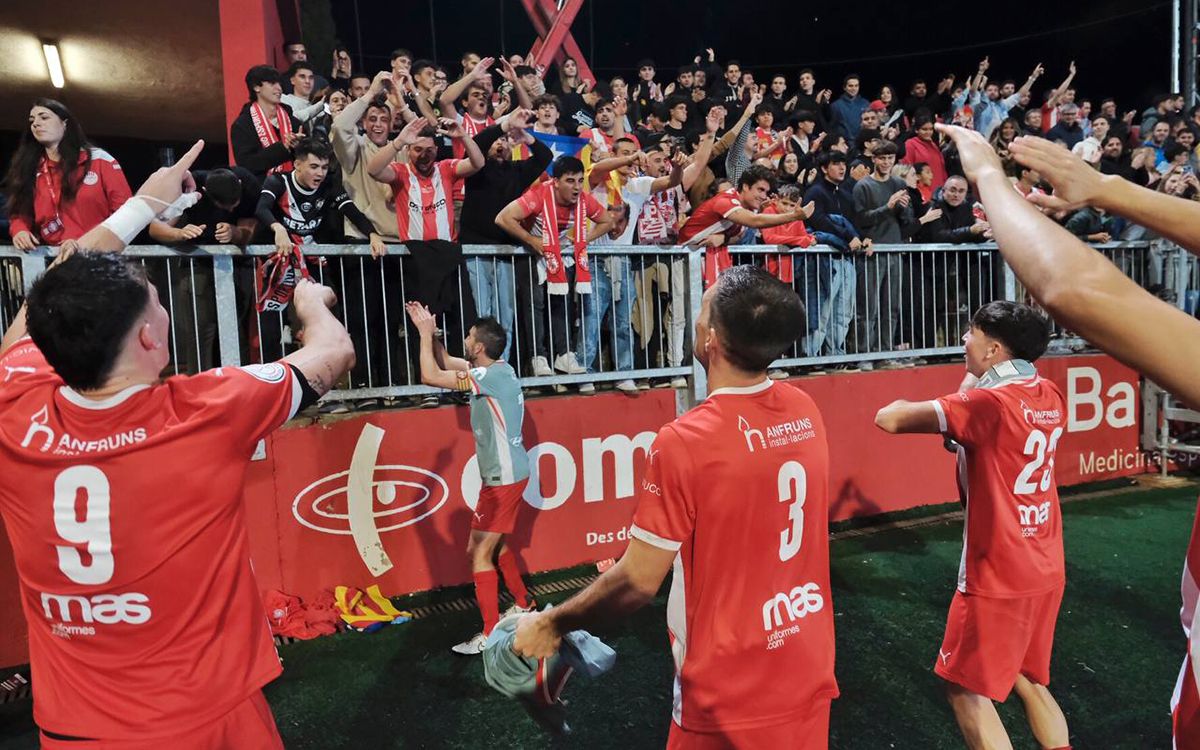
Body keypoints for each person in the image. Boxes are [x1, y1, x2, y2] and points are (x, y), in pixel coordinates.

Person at [0, 139, 354, 748]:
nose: (165, 309)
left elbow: (50, 295)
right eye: (158, 304)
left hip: (70, 728)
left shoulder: (13, 402)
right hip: (205, 719)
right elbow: (333, 355)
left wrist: (139, 206)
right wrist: (308, 302)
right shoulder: (207, 410)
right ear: (146, 339)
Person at [513, 264, 838, 747]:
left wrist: (551, 621)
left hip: (727, 686)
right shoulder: (805, 409)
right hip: (806, 658)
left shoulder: (685, 440)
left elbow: (637, 582)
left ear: (710, 338)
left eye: (703, 306)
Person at [874, 300, 1069, 750]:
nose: (964, 340)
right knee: (1028, 678)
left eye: (971, 333)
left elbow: (889, 417)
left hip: (998, 570)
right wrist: (975, 377)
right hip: (1045, 563)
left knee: (964, 689)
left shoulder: (986, 404)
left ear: (994, 349)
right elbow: (971, 430)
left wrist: (965, 388)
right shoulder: (1049, 394)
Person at [404, 304, 535, 655]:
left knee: (479, 554)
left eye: (468, 336)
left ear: (478, 347)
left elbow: (431, 376)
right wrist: (433, 333)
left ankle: (491, 634)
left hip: (504, 480)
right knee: (488, 547)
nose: (465, 339)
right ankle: (522, 602)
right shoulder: (495, 370)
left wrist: (421, 335)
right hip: (502, 477)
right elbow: (446, 361)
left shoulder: (485, 377)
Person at [255, 137, 384, 362]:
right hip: (280, 262)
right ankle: (274, 378)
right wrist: (278, 228)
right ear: (297, 164)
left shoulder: (329, 185)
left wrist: (372, 233)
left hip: (311, 262)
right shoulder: (278, 182)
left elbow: (350, 209)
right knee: (271, 327)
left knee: (326, 319)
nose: (320, 173)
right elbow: (261, 208)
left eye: (324, 167)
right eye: (314, 167)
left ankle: (325, 378)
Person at [495, 156, 615, 381]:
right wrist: (531, 241)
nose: (577, 187)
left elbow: (608, 221)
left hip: (559, 255)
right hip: (532, 254)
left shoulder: (583, 200)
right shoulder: (538, 194)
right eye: (570, 181)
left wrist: (583, 240)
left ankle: (564, 354)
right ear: (556, 182)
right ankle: (537, 357)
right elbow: (503, 218)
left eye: (580, 181)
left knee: (563, 304)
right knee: (536, 304)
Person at [460, 109, 553, 365]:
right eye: (496, 143)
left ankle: (503, 368)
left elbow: (545, 157)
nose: (499, 145)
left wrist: (525, 135)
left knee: (505, 316)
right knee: (482, 315)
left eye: (504, 142)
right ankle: (479, 369)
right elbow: (476, 145)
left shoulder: (519, 170)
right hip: (476, 250)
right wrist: (502, 127)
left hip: (506, 252)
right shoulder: (476, 168)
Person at [147, 166, 261, 373]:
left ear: (240, 186)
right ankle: (200, 389)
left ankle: (238, 386)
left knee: (235, 329)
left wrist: (236, 233)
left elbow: (250, 228)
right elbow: (156, 229)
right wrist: (179, 234)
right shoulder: (188, 187)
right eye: (224, 207)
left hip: (237, 265)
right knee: (202, 331)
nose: (230, 211)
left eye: (234, 205)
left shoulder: (248, 182)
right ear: (206, 194)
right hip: (197, 265)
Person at [5, 98, 132, 252]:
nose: (36, 123)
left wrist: (88, 243)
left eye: (44, 117)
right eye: (32, 120)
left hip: (99, 255)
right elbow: (19, 213)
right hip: (53, 257)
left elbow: (126, 213)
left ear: (65, 123)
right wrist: (20, 230)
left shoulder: (100, 160)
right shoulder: (29, 168)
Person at [677, 164, 813, 285]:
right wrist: (793, 216)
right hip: (682, 259)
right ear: (745, 187)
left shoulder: (748, 208)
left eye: (766, 192)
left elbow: (739, 236)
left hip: (705, 261)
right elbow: (755, 221)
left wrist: (723, 238)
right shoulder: (725, 200)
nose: (764, 196)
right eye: (760, 190)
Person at [852, 140, 915, 366]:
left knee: (891, 306)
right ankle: (864, 355)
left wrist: (903, 209)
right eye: (882, 158)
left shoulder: (899, 182)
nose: (886, 162)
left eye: (890, 158)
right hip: (872, 251)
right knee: (867, 306)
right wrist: (887, 207)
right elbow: (860, 220)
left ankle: (885, 353)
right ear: (874, 159)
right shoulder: (863, 186)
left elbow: (906, 222)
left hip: (894, 250)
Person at [231, 65, 301, 181]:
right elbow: (247, 165)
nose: (279, 88)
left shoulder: (293, 121)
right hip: (261, 191)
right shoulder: (242, 125)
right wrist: (283, 148)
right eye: (272, 83)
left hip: (296, 188)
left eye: (279, 83)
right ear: (256, 87)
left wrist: (300, 146)